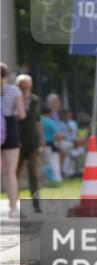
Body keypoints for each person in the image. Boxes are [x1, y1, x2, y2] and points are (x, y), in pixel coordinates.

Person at [1, 64, 26, 219]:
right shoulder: (14, 91)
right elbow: (22, 114)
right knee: (11, 172)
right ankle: (13, 207)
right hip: (10, 131)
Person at [16, 75, 43, 214]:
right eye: (22, 84)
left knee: (34, 174)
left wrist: (41, 139)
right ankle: (15, 204)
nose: (25, 86)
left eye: (27, 84)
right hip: (17, 142)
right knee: (15, 174)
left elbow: (37, 120)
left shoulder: (35, 100)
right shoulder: (14, 98)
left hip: (32, 143)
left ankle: (36, 204)